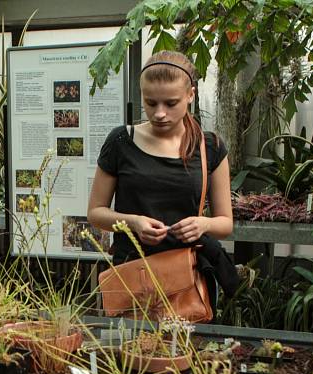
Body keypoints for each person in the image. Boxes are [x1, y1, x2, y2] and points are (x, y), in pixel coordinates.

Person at [87, 50, 238, 311]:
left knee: (185, 348)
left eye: (171, 103)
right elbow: (95, 213)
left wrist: (202, 224)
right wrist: (133, 222)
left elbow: (225, 224)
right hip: (132, 272)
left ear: (190, 95)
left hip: (187, 278)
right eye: (150, 102)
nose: (159, 113)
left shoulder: (210, 147)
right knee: (129, 348)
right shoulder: (121, 142)